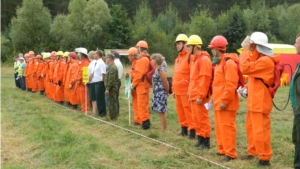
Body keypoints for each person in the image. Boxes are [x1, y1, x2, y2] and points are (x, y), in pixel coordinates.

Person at [240, 32, 279, 166]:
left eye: (252, 47)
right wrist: (246, 87)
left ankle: (264, 158)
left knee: (260, 130)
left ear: (257, 46)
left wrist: (245, 51)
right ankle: (253, 151)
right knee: (251, 128)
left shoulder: (265, 61)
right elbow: (254, 78)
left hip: (260, 102)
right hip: (254, 101)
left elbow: (245, 68)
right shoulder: (259, 60)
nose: (250, 49)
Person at [208, 35, 239, 161]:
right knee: (220, 127)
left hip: (226, 103)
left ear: (217, 49)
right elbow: (217, 85)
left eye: (212, 49)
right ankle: (222, 150)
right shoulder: (219, 64)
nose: (212, 51)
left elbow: (231, 84)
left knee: (227, 128)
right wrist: (213, 99)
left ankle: (230, 154)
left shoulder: (229, 63)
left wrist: (224, 101)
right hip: (218, 102)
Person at [186, 35, 212, 148]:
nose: (187, 48)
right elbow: (193, 79)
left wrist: (200, 96)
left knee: (202, 118)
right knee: (196, 119)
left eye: (189, 46)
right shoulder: (194, 60)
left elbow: (204, 79)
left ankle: (206, 141)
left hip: (199, 95)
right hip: (193, 94)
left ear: (195, 47)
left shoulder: (204, 60)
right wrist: (189, 92)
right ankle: (200, 138)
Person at [173, 34, 196, 138]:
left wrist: (190, 90)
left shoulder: (190, 57)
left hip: (186, 90)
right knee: (180, 110)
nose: (177, 46)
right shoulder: (177, 58)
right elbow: (176, 74)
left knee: (188, 111)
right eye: (176, 44)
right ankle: (183, 129)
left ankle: (192, 131)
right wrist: (173, 89)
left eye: (179, 43)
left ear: (185, 44)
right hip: (177, 90)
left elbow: (192, 74)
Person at [132, 40, 152, 130]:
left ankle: (145, 124)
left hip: (142, 86)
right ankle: (145, 122)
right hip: (143, 86)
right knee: (144, 105)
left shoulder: (143, 60)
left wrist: (133, 84)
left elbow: (139, 74)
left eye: (137, 48)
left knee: (142, 105)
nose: (136, 50)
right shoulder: (144, 59)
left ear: (140, 48)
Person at [150, 53, 169, 132]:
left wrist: (167, 92)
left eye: (152, 59)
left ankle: (164, 129)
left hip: (161, 92)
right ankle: (162, 128)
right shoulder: (155, 68)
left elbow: (165, 83)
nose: (151, 61)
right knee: (159, 110)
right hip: (156, 91)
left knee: (161, 111)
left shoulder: (161, 70)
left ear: (156, 60)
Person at [291, 33, 300, 169]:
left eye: (296, 42)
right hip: (297, 109)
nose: (294, 45)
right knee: (295, 138)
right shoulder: (299, 63)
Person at [125, 47, 140, 125]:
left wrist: (130, 74)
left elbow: (136, 74)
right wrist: (128, 73)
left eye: (129, 56)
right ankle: (137, 119)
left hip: (137, 86)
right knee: (135, 103)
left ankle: (138, 120)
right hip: (134, 86)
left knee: (138, 103)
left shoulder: (137, 62)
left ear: (133, 55)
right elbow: (132, 72)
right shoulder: (134, 63)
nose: (128, 57)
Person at [75, 48, 91, 113]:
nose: (78, 55)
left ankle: (86, 109)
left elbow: (84, 73)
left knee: (84, 97)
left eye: (79, 54)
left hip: (83, 83)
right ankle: (83, 108)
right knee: (81, 97)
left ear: (81, 54)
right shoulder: (83, 62)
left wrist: (79, 79)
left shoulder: (86, 63)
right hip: (80, 83)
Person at [92, 50, 107, 117]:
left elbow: (103, 73)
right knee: (98, 98)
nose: (94, 55)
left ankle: (102, 113)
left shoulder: (101, 63)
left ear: (98, 54)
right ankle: (100, 112)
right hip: (96, 82)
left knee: (100, 98)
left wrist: (103, 83)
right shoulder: (97, 62)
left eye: (95, 54)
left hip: (100, 82)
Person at [105, 54, 119, 120]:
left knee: (112, 102)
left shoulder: (112, 67)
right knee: (111, 102)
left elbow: (111, 80)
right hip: (111, 87)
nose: (105, 59)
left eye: (106, 58)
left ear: (110, 59)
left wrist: (107, 88)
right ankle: (113, 116)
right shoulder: (111, 66)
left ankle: (113, 117)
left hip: (112, 88)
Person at [112, 50, 123, 116]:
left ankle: (116, 112)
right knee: (116, 97)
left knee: (114, 97)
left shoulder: (115, 63)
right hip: (118, 80)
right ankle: (116, 111)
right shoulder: (119, 62)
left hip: (115, 80)